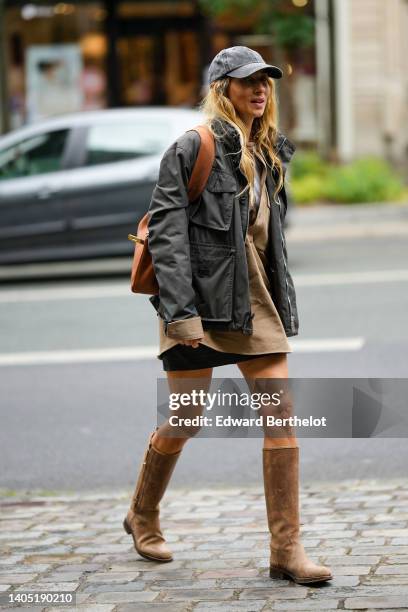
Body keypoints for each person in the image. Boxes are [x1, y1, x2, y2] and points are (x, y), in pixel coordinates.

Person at [123, 46, 333, 585]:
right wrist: (181, 315)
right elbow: (168, 236)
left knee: (281, 420)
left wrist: (281, 303)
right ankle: (142, 513)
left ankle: (286, 549)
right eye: (247, 82)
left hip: (254, 304)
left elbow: (268, 243)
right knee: (186, 420)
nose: (260, 89)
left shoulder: (269, 152)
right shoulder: (193, 146)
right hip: (197, 306)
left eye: (266, 81)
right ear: (223, 88)